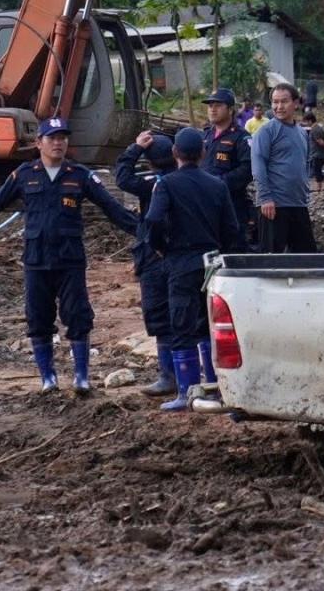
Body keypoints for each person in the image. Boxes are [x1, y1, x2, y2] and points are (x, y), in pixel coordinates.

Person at [0, 117, 137, 394]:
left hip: (70, 259)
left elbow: (112, 209)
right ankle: (48, 378)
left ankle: (81, 377)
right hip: (36, 260)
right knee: (38, 318)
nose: (58, 143)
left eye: (62, 138)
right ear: (39, 143)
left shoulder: (79, 174)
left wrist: (144, 232)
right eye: (52, 138)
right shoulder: (24, 175)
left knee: (78, 316)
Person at [144, 127, 240, 412]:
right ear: (203, 152)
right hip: (211, 263)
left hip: (181, 263)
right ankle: (214, 387)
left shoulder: (166, 184)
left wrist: (160, 246)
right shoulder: (217, 184)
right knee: (209, 324)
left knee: (181, 324)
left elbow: (153, 220)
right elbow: (231, 229)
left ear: (175, 154)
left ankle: (186, 392)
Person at [114, 131, 177, 397]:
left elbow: (122, 177)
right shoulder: (186, 178)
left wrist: (134, 148)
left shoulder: (149, 183)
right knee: (187, 315)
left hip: (154, 253)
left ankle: (169, 376)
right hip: (181, 253)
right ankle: (194, 373)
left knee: (159, 315)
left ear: (150, 161)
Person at [251, 83, 316, 252]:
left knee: (306, 258)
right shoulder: (266, 131)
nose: (278, 107)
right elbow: (258, 166)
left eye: (284, 101)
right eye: (275, 102)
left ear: (296, 103)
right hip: (274, 205)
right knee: (272, 261)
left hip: (298, 204)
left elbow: (304, 164)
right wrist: (265, 198)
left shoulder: (302, 132)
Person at [200, 87, 255, 250]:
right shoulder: (206, 136)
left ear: (230, 109)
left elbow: (248, 169)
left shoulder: (241, 137)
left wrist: (219, 183)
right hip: (206, 204)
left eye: (218, 105)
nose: (212, 109)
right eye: (210, 105)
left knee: (232, 251)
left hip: (231, 205)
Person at [303, 113, 324, 192]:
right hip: (319, 154)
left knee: (317, 171)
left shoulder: (315, 130)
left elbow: (320, 141)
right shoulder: (318, 128)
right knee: (317, 171)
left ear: (310, 121)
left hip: (318, 154)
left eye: (306, 122)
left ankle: (319, 188)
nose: (306, 124)